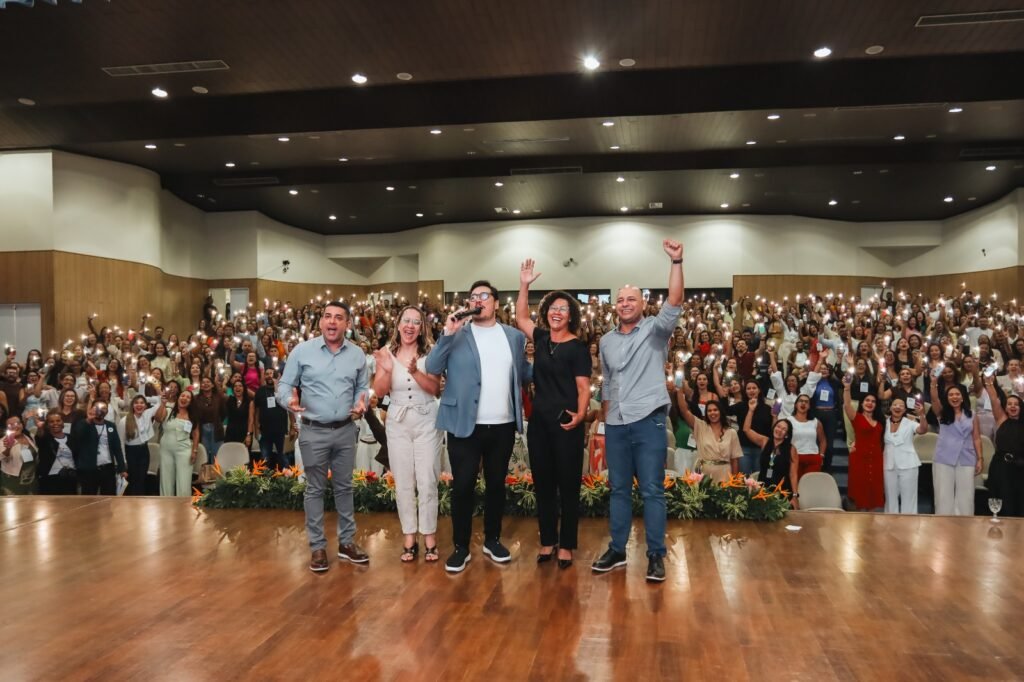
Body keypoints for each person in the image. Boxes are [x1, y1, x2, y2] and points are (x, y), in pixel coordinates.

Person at [592, 239, 683, 583]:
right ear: (614, 306)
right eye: (620, 300)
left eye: (631, 299)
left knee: (652, 490)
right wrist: (604, 421)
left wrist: (676, 262)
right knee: (618, 489)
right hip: (616, 423)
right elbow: (608, 384)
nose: (625, 304)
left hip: (649, 421)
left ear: (643, 303)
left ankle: (656, 555)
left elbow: (675, 301)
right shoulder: (606, 341)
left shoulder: (656, 331)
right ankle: (617, 550)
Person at [426, 281, 532, 573]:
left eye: (484, 296)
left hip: (502, 424)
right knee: (462, 486)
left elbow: (524, 373)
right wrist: (447, 333)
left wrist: (554, 363)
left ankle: (492, 540)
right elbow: (433, 367)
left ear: (496, 303)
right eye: (473, 297)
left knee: (496, 485)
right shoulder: (457, 333)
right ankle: (461, 547)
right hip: (464, 424)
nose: (477, 300)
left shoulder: (513, 336)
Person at [277, 301, 370, 573]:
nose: (332, 321)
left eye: (339, 317)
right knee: (314, 489)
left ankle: (346, 543)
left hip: (345, 430)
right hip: (313, 431)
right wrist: (288, 401)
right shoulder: (302, 351)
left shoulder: (357, 355)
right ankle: (317, 547)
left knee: (345, 488)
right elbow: (284, 385)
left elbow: (362, 387)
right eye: (327, 316)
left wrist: (362, 402)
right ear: (320, 322)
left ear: (347, 324)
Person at [516, 260, 591, 569]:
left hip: (566, 422)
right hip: (540, 424)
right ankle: (548, 540)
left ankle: (567, 545)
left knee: (568, 486)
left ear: (570, 315)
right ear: (546, 312)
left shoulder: (578, 348)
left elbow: (584, 388)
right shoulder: (542, 339)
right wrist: (524, 285)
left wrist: (581, 415)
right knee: (544, 484)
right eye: (553, 308)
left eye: (563, 309)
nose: (557, 312)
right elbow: (521, 317)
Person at [372, 305, 442, 563]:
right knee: (403, 481)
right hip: (398, 422)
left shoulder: (431, 353)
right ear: (398, 325)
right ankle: (409, 536)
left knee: (427, 479)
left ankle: (430, 536)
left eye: (416, 322)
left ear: (422, 328)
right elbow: (380, 392)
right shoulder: (386, 353)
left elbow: (435, 389)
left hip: (427, 420)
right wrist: (387, 368)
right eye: (406, 321)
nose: (410, 326)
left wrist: (414, 372)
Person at [929, 380, 982, 516]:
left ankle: (965, 524)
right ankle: (943, 525)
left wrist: (980, 459)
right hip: (944, 457)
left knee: (966, 495)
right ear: (947, 398)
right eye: (951, 395)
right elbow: (934, 399)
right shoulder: (942, 413)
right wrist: (933, 383)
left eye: (957, 394)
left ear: (962, 397)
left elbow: (976, 438)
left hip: (966, 457)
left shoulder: (972, 414)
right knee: (943, 494)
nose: (954, 397)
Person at [983, 375, 1024, 516]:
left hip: (1020, 467)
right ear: (1005, 407)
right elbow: (994, 399)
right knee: (1002, 499)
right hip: (1000, 466)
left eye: (1016, 404)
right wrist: (989, 383)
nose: (1012, 406)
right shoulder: (1001, 419)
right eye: (1009, 404)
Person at [842, 374, 884, 510]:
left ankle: (870, 520)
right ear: (862, 403)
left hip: (876, 459)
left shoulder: (881, 421)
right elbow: (847, 404)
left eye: (873, 401)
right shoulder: (857, 417)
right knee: (859, 491)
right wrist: (847, 388)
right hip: (859, 458)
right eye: (867, 400)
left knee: (873, 492)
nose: (870, 403)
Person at [742, 409, 799, 505]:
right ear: (774, 427)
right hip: (763, 490)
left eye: (784, 429)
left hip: (782, 491)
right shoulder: (764, 441)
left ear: (787, 435)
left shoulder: (791, 449)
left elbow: (793, 474)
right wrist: (751, 410)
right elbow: (746, 429)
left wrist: (795, 496)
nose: (779, 430)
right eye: (778, 426)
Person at [882, 397, 928, 514]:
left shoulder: (910, 423)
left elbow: (923, 430)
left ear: (905, 410)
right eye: (895, 404)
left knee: (909, 498)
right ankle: (890, 522)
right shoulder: (883, 423)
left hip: (908, 464)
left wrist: (922, 415)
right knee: (890, 498)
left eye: (901, 405)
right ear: (890, 408)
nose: (897, 407)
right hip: (888, 464)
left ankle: (909, 523)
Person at [677, 398, 740, 483]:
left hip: (725, 475)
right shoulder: (701, 427)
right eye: (709, 411)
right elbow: (684, 411)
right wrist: (679, 392)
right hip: (705, 475)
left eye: (715, 410)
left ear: (721, 412)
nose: (712, 413)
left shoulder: (731, 432)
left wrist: (734, 482)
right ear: (706, 413)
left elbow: (735, 460)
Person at [71, 401, 127, 495]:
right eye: (97, 407)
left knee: (109, 498)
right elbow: (76, 438)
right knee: (89, 499)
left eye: (104, 408)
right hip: (89, 469)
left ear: (107, 411)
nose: (101, 410)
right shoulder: (83, 423)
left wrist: (122, 468)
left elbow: (117, 448)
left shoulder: (111, 426)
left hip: (108, 468)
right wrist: (88, 420)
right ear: (92, 409)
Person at [118, 394, 165, 495]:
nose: (139, 405)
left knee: (142, 480)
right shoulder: (124, 421)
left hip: (144, 451)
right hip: (130, 453)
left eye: (142, 403)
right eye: (136, 403)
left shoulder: (147, 414)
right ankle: (132, 502)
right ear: (132, 405)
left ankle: (140, 502)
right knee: (133, 481)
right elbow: (121, 443)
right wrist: (124, 461)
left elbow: (158, 403)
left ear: (145, 405)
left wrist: (153, 397)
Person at [160, 390, 198, 496]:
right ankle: (166, 504)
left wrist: (194, 451)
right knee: (166, 480)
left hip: (184, 450)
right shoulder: (168, 411)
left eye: (188, 397)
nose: (184, 398)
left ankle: (183, 505)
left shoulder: (192, 415)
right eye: (182, 395)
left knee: (184, 481)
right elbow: (158, 418)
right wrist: (162, 404)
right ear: (178, 398)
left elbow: (196, 433)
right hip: (166, 450)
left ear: (191, 402)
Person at [254, 368, 293, 470]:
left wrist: (292, 427)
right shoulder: (260, 391)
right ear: (264, 377)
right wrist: (256, 429)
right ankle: (265, 479)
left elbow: (290, 410)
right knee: (265, 459)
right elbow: (257, 412)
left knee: (283, 458)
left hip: (281, 431)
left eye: (271, 373)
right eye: (267, 374)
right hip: (265, 431)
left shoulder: (282, 391)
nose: (269, 376)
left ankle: (287, 479)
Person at [787, 394, 827, 483]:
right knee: (795, 485)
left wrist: (821, 456)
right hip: (795, 458)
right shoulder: (788, 421)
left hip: (813, 459)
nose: (803, 403)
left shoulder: (816, 422)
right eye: (801, 401)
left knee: (810, 486)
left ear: (809, 406)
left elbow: (823, 440)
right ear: (796, 404)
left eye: (806, 402)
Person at [35, 411, 78, 495]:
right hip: (50, 479)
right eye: (51, 421)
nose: (55, 423)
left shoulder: (72, 438)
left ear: (63, 422)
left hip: (70, 477)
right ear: (47, 425)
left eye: (58, 420)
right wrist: (40, 427)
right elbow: (39, 437)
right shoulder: (45, 439)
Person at [2, 415, 38, 494]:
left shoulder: (30, 437)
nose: (15, 426)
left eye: (17, 423)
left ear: (22, 424)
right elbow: (2, 457)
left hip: (31, 480)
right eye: (10, 425)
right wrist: (8, 448)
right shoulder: (3, 441)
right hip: (12, 482)